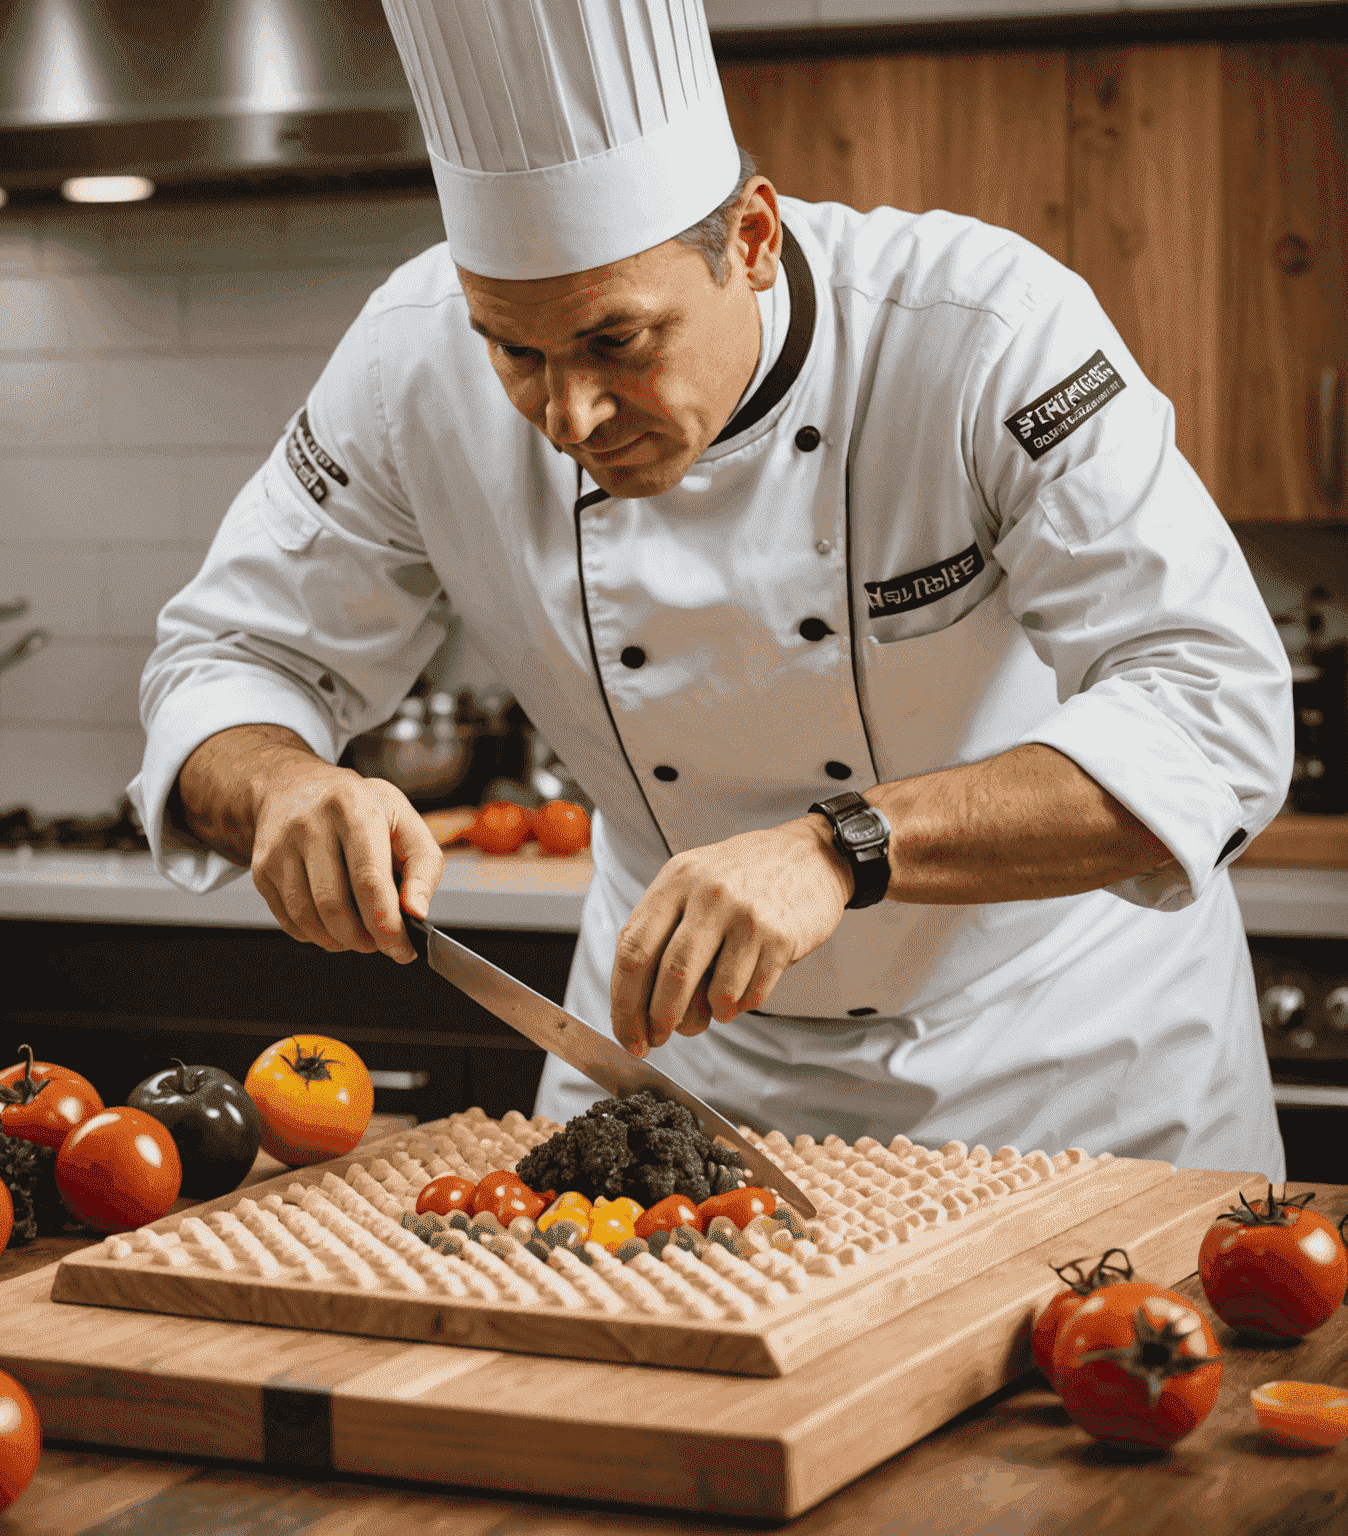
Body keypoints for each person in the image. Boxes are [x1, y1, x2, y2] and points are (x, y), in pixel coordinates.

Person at [131, 0, 1292, 1180]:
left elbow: (1211, 710)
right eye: (515, 352)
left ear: (751, 237)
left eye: (616, 342)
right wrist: (281, 786)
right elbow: (227, 659)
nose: (568, 417)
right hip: (681, 1072)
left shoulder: (981, 332)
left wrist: (842, 847)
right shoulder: (405, 362)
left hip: (1066, 1063)